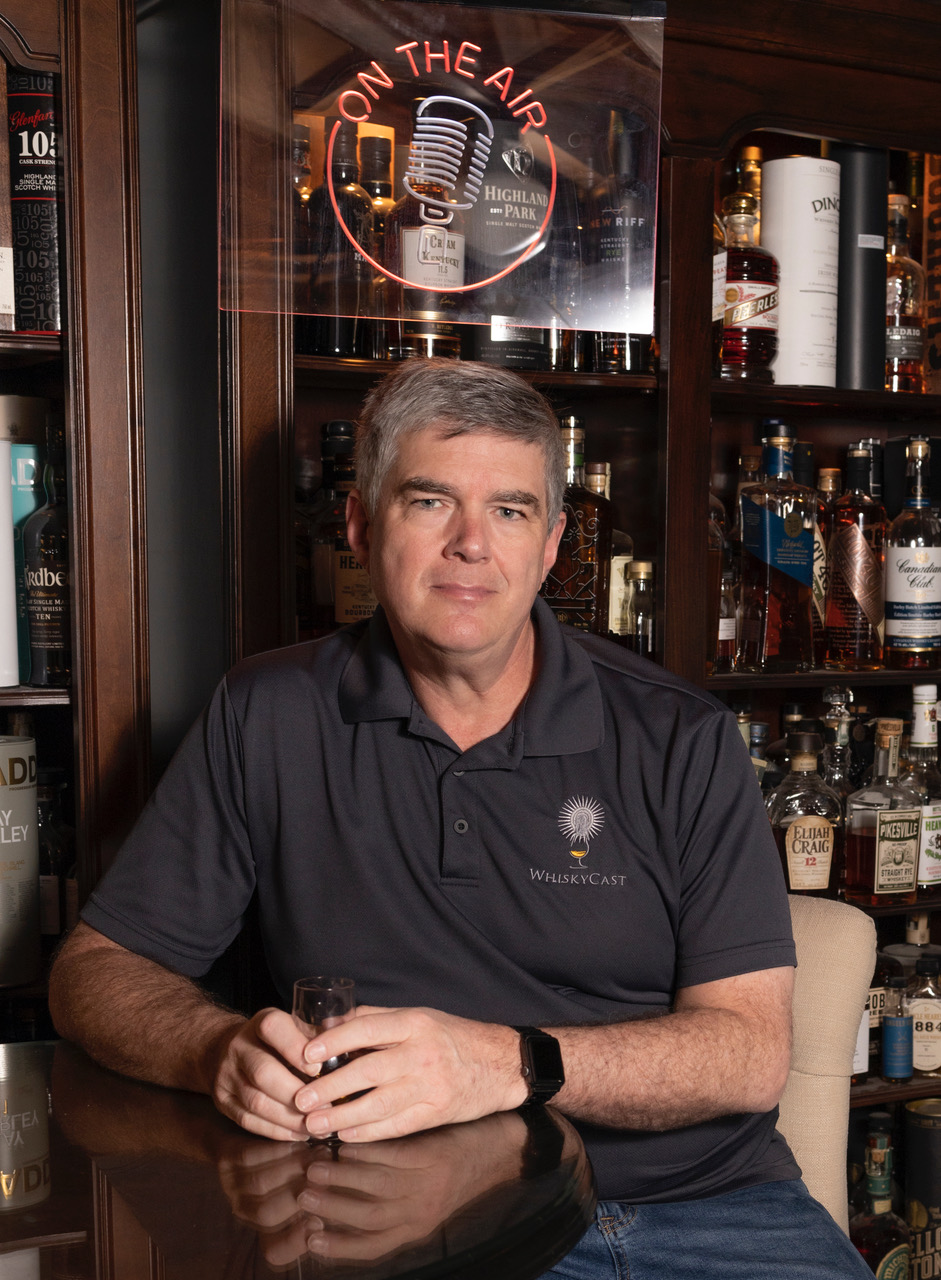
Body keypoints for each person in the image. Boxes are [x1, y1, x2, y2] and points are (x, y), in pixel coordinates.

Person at [49, 358, 870, 1279]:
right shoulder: (267, 711)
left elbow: (748, 1053)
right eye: (430, 501)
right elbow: (96, 972)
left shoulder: (677, 732)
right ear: (360, 526)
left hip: (711, 1214)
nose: (472, 544)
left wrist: (508, 1064)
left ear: (552, 544)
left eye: (510, 510)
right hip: (417, 1224)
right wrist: (209, 1050)